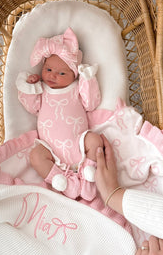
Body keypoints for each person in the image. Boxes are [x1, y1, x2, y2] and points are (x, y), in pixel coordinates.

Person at [16, 27, 103, 201]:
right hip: (51, 150)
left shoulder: (77, 88)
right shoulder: (42, 90)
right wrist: (30, 88)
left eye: (61, 73)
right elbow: (31, 107)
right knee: (35, 155)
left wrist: (88, 79)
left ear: (74, 75)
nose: (52, 76)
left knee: (95, 140)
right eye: (48, 70)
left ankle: (88, 176)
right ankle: (60, 180)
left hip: (79, 143)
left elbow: (91, 103)